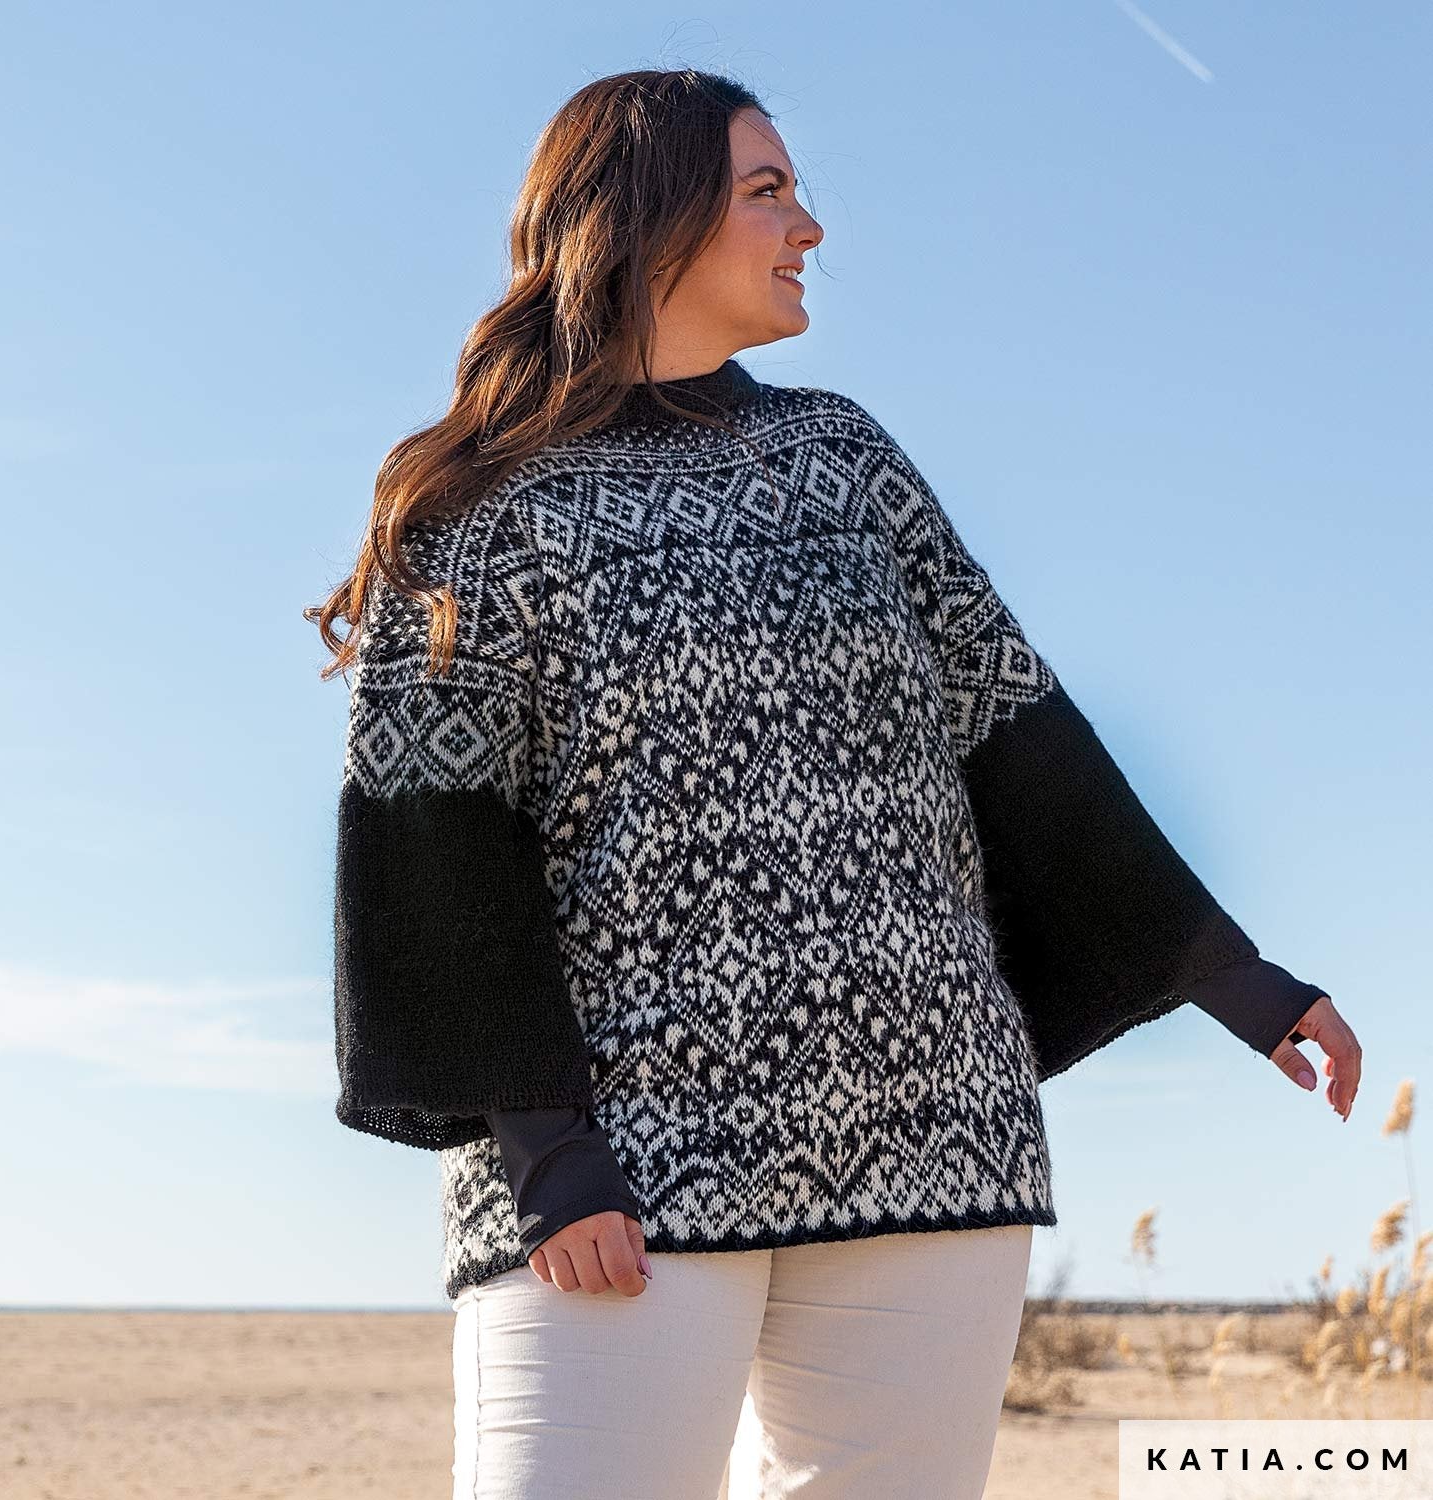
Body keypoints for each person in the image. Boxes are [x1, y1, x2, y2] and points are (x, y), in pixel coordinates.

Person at [309, 68, 1362, 1500]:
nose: (810, 225)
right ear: (647, 216)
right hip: (621, 1164)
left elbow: (1014, 726)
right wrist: (546, 1149)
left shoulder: (846, 457)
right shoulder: (482, 510)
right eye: (768, 192)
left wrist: (1237, 981)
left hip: (930, 1133)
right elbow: (433, 847)